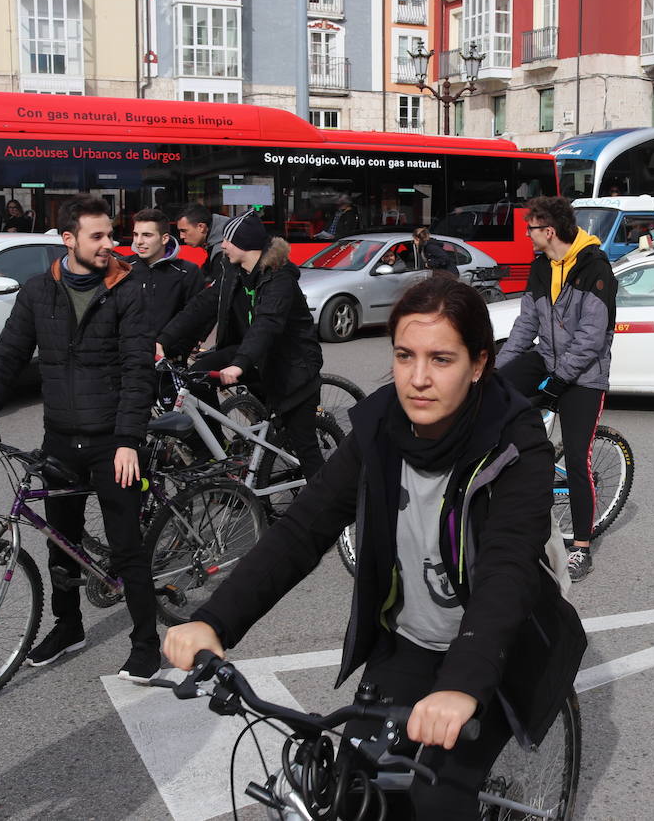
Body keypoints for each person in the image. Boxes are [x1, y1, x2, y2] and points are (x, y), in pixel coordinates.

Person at [161, 276, 585, 819]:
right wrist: (215, 621)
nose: (418, 379)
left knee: (435, 799)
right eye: (405, 356)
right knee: (353, 791)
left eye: (442, 359)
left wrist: (461, 685)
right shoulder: (380, 425)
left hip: (495, 649)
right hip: (407, 641)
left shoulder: (515, 443)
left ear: (478, 364)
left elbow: (506, 571)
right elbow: (302, 530)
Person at [0, 195, 160, 678]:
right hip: (61, 439)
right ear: (68, 240)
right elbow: (6, 356)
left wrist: (129, 438)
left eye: (112, 234)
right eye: (98, 236)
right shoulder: (36, 292)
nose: (111, 244)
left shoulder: (127, 290)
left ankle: (146, 640)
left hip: (113, 441)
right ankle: (68, 626)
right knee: (60, 543)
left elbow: (137, 371)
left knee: (126, 545)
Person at [496, 196, 615, 582]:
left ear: (548, 231)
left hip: (584, 376)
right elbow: (524, 328)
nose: (526, 235)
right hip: (547, 360)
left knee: (578, 459)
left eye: (530, 228)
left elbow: (591, 338)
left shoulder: (595, 268)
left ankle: (581, 546)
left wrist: (558, 382)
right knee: (496, 396)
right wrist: (496, 373)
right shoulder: (541, 267)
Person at [157, 213, 326, 476]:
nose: (222, 245)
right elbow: (201, 306)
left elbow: (267, 323)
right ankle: (219, 449)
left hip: (290, 364)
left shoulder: (280, 279)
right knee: (196, 376)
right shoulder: (232, 270)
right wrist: (163, 340)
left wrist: (239, 365)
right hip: (252, 355)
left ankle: (329, 505)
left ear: (246, 244)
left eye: (227, 240)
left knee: (304, 447)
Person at [129, 208, 205, 336]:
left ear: (164, 239)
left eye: (147, 235)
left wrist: (175, 350)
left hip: (169, 353)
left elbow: (196, 318)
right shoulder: (122, 268)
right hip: (127, 352)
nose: (138, 242)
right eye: (136, 234)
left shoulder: (188, 272)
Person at [176, 204, 229, 270]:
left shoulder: (222, 251)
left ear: (201, 227)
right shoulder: (217, 242)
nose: (181, 236)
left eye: (184, 231)